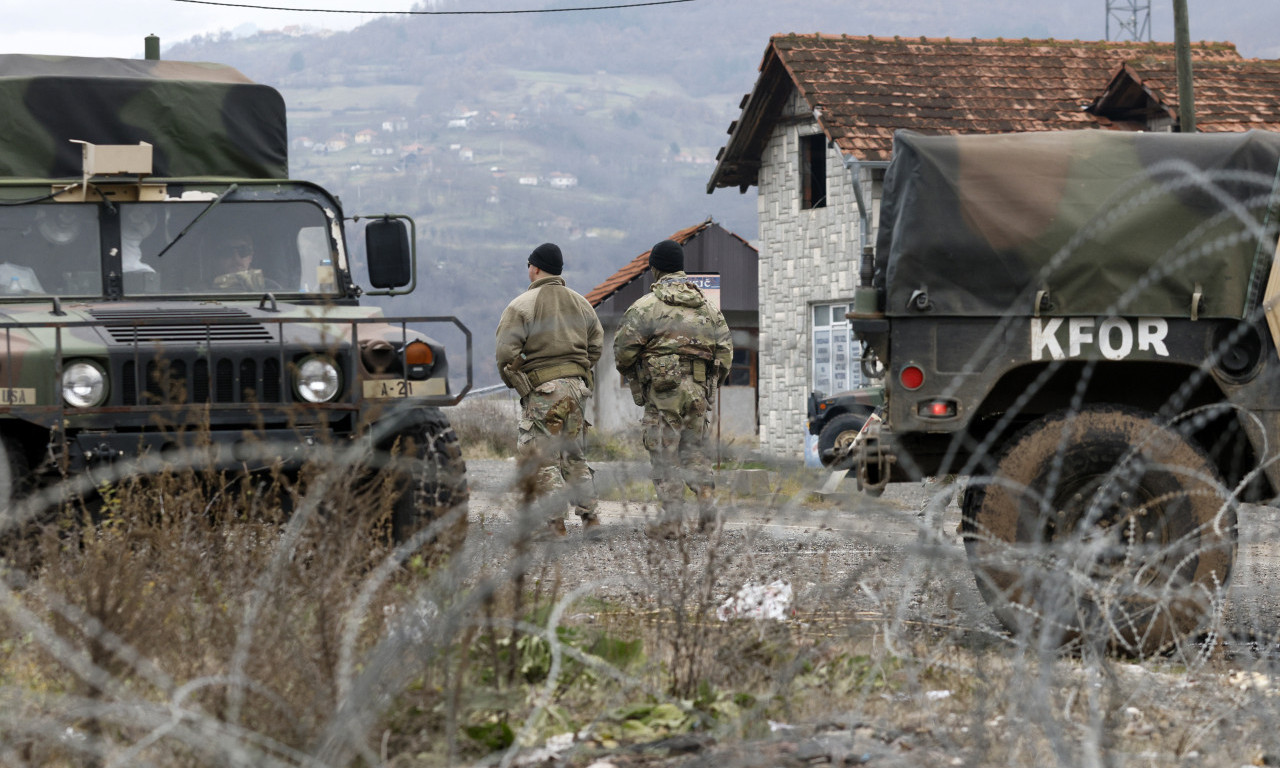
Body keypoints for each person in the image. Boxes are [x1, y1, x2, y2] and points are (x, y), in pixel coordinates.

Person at [614, 239, 732, 539]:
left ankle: (672, 523)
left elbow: (623, 353)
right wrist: (708, 384)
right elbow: (725, 352)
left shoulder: (645, 308)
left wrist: (641, 372)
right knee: (694, 452)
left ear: (654, 269)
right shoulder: (709, 309)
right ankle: (708, 512)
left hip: (663, 391)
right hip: (698, 392)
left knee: (664, 455)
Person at [495, 242, 604, 537]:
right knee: (574, 455)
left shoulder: (521, 306)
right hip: (577, 390)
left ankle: (555, 524)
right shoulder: (582, 303)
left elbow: (505, 353)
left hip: (544, 390)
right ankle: (591, 519)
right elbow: (596, 345)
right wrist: (578, 372)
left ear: (535, 268)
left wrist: (520, 383)